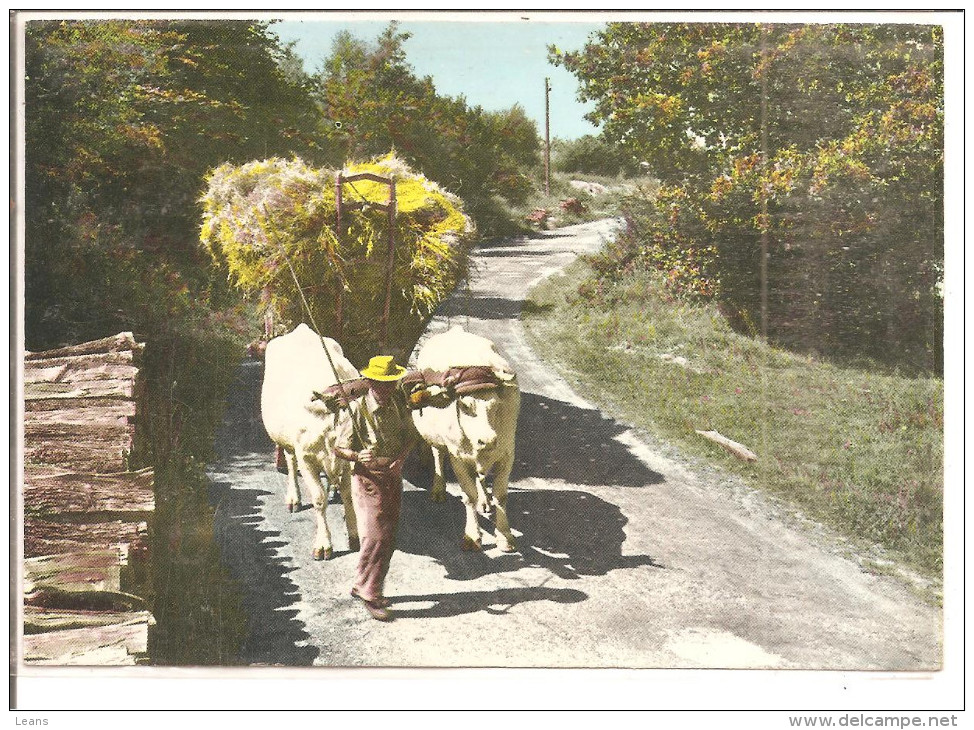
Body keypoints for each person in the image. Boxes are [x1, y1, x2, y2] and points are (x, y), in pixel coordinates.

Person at [334, 354, 418, 621]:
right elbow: (337, 447)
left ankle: (362, 584)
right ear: (369, 382)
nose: (385, 390)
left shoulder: (397, 405)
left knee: (389, 537)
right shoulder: (357, 409)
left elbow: (410, 436)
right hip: (367, 479)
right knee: (375, 536)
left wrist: (401, 460)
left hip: (392, 477)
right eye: (380, 384)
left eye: (391, 384)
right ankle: (371, 594)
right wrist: (357, 456)